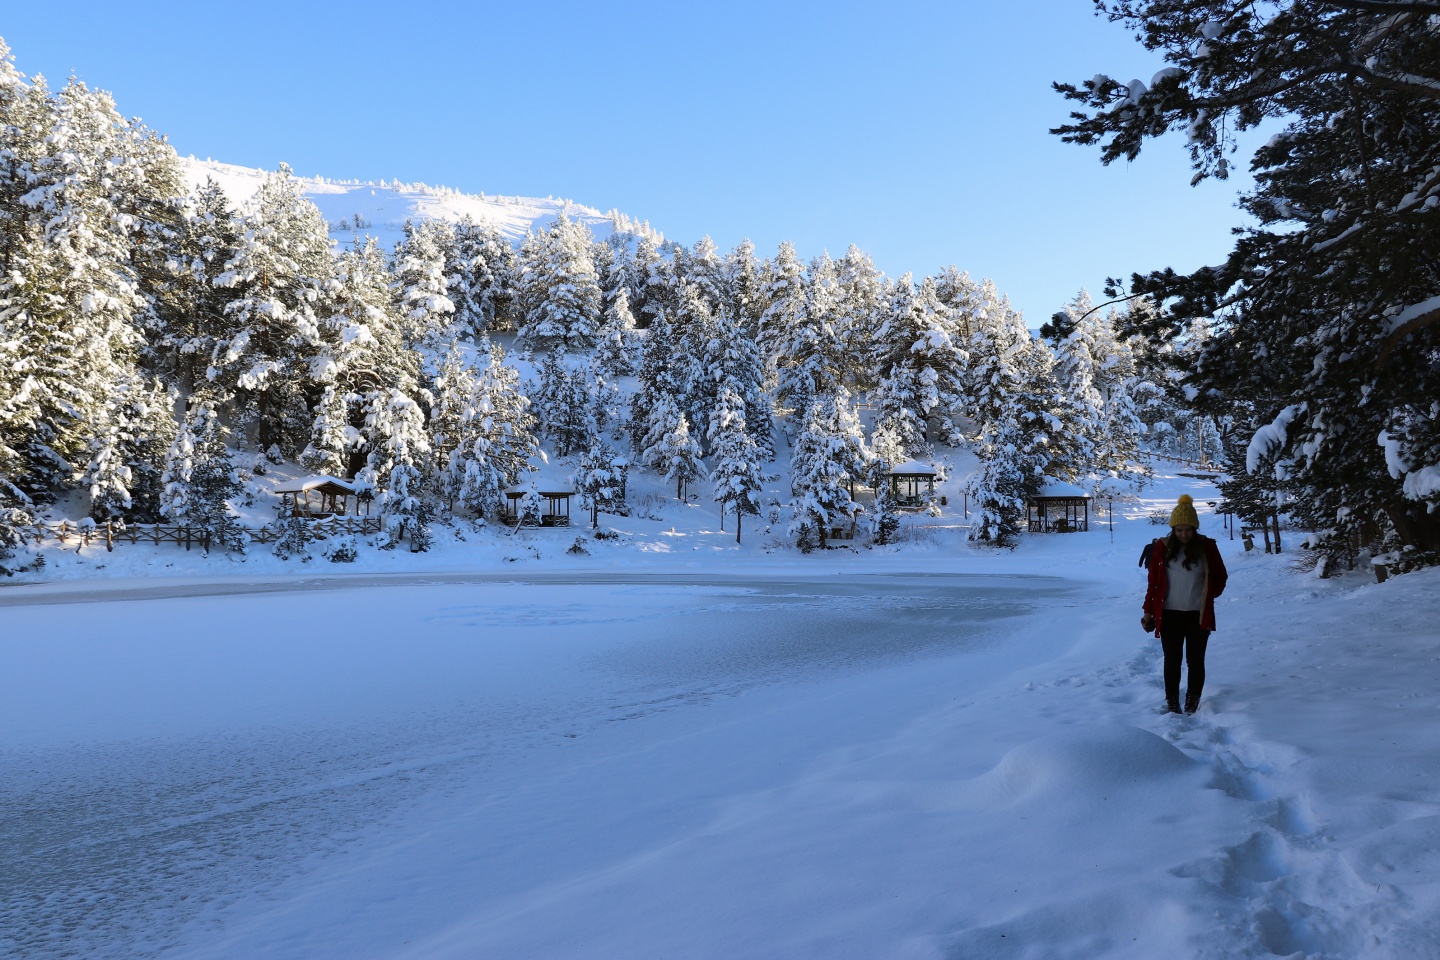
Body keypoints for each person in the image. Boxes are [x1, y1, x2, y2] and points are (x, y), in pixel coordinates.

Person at [1141, 494, 1229, 714]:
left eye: (1188, 529)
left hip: (1197, 615)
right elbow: (1153, 584)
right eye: (1179, 530)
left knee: (1195, 661)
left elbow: (1220, 576)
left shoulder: (1206, 547)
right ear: (1173, 528)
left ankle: (1192, 701)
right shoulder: (1162, 548)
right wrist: (1148, 612)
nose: (1183, 534)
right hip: (1169, 614)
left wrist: (1208, 595)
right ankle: (1172, 701)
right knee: (1172, 660)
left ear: (1195, 528)